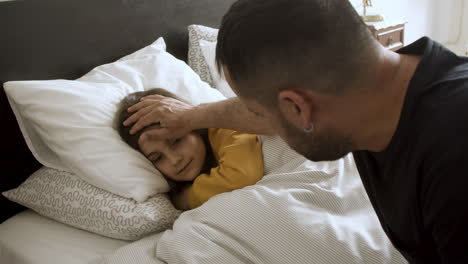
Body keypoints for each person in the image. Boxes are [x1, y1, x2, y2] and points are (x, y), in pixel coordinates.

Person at [123, 0, 468, 262]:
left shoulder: (452, 166)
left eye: (259, 113)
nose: (257, 123)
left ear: (298, 107)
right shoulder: (396, 91)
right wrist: (192, 117)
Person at [117, 88, 264, 210]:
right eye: (157, 158)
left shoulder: (223, 126)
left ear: (192, 126)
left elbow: (241, 176)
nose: (174, 160)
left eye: (176, 141)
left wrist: (186, 199)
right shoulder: (169, 191)